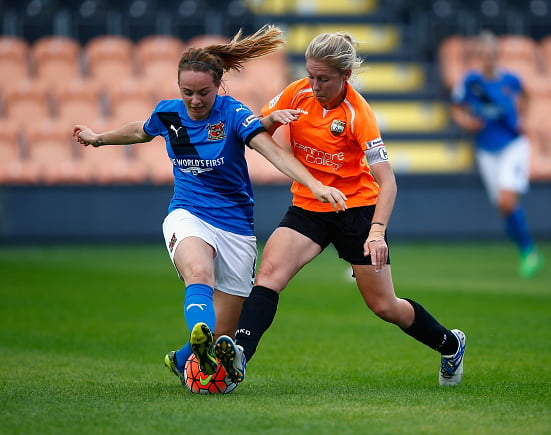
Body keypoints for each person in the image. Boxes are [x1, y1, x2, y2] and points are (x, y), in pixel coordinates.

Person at [72, 25, 347, 389]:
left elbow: (273, 152)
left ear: (218, 86)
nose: (195, 100)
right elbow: (141, 130)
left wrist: (313, 183)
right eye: (187, 93)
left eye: (203, 92)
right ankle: (197, 330)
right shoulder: (170, 114)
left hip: (235, 225)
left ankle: (186, 355)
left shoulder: (233, 114)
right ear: (178, 88)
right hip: (187, 213)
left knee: (223, 337)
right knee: (199, 273)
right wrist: (98, 139)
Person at [214, 32, 467, 388]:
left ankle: (451, 344)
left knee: (384, 306)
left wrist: (376, 231)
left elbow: (387, 182)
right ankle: (237, 359)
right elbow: (254, 129)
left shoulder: (358, 113)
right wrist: (272, 120)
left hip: (356, 212)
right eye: (311, 75)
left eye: (324, 79)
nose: (314, 85)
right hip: (309, 205)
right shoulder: (297, 91)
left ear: (345, 76)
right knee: (268, 274)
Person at [450, 30, 544, 279]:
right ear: (479, 56)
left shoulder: (510, 80)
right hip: (486, 149)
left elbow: (526, 96)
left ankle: (530, 252)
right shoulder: (471, 82)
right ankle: (526, 252)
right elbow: (457, 108)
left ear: (497, 55)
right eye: (484, 54)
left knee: (505, 201)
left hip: (512, 144)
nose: (488, 58)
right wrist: (467, 122)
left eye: (492, 54)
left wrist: (524, 117)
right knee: (504, 207)